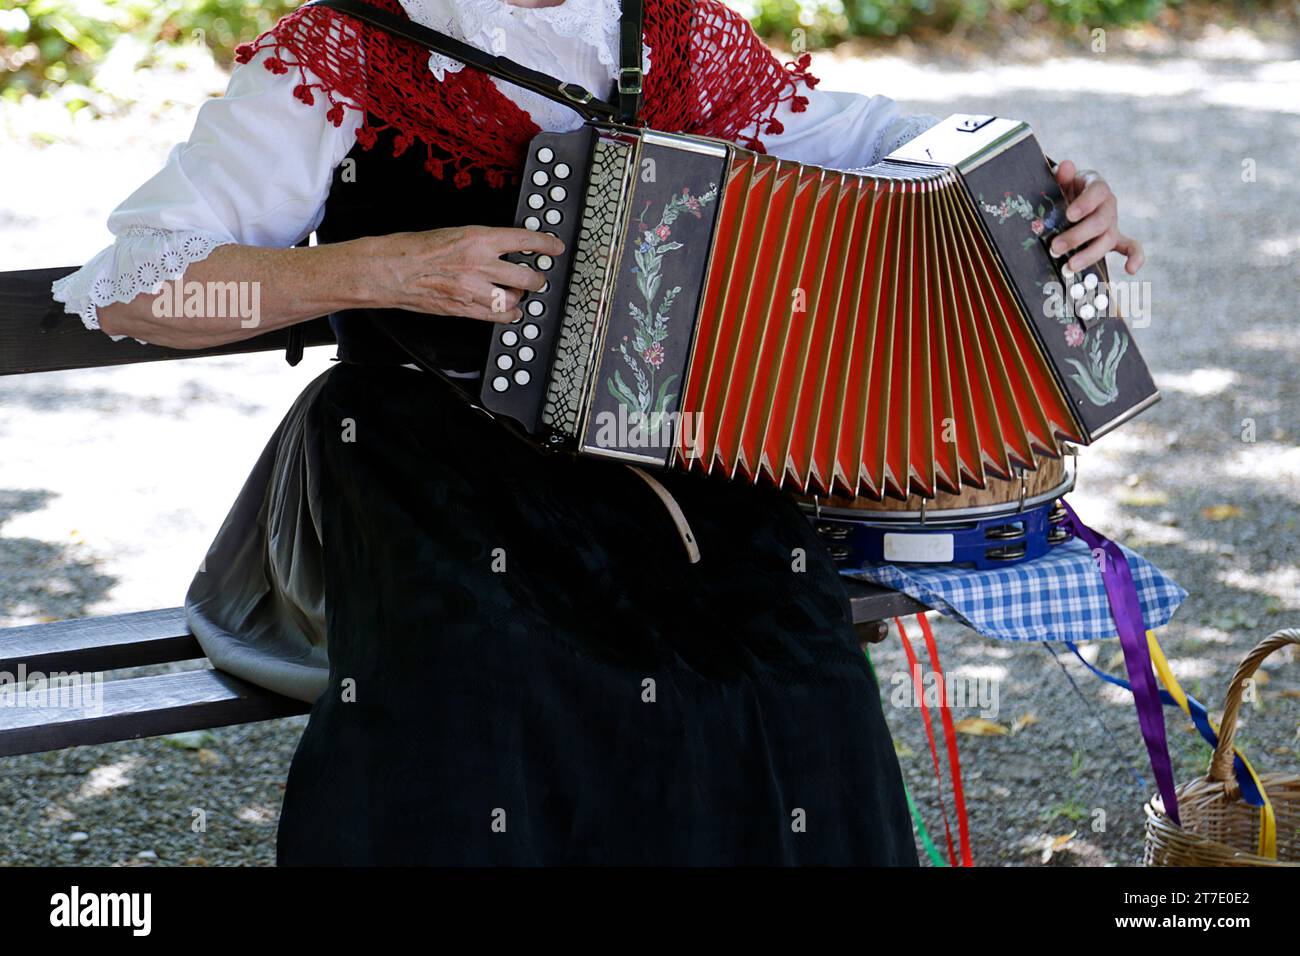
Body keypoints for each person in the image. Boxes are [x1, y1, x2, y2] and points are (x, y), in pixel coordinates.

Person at [52, 0, 1143, 865]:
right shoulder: (342, 49)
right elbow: (137, 290)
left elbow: (887, 139)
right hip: (413, 449)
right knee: (494, 675)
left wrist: (1042, 189)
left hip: (665, 451)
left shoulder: (667, 33)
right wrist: (383, 268)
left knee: (793, 668)